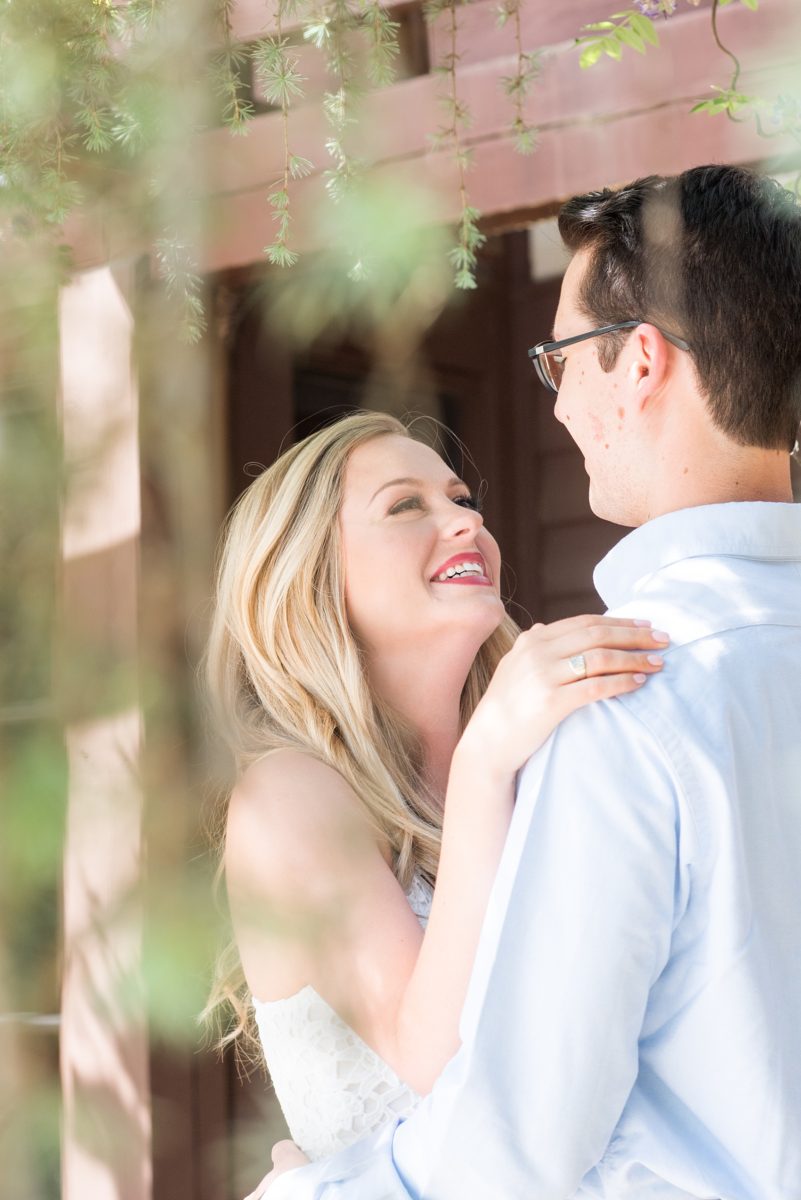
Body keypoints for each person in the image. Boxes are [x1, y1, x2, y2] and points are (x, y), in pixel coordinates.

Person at [256, 164, 801, 1199]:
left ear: (638, 362)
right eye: (405, 507)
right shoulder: (564, 715)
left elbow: (517, 1144)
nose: (554, 409)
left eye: (562, 362)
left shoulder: (628, 702)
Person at [204, 412, 666, 1165]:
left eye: (458, 498)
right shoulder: (286, 798)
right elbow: (432, 1063)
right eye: (405, 505)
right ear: (312, 571)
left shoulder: (548, 757)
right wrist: (486, 760)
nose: (464, 518)